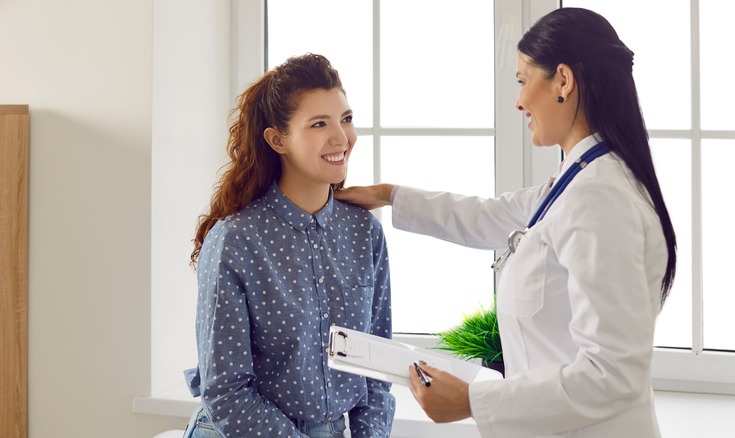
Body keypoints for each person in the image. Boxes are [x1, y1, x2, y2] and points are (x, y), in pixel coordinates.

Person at [334, 7, 676, 438]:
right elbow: (486, 215)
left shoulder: (599, 197)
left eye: (522, 80)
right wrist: (387, 195)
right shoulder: (579, 178)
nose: (517, 101)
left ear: (563, 82)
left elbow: (610, 374)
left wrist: (470, 401)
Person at [182, 53, 395, 438]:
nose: (341, 137)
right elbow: (226, 391)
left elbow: (378, 369)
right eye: (319, 124)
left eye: (345, 119)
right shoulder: (236, 240)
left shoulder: (365, 233)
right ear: (277, 140)